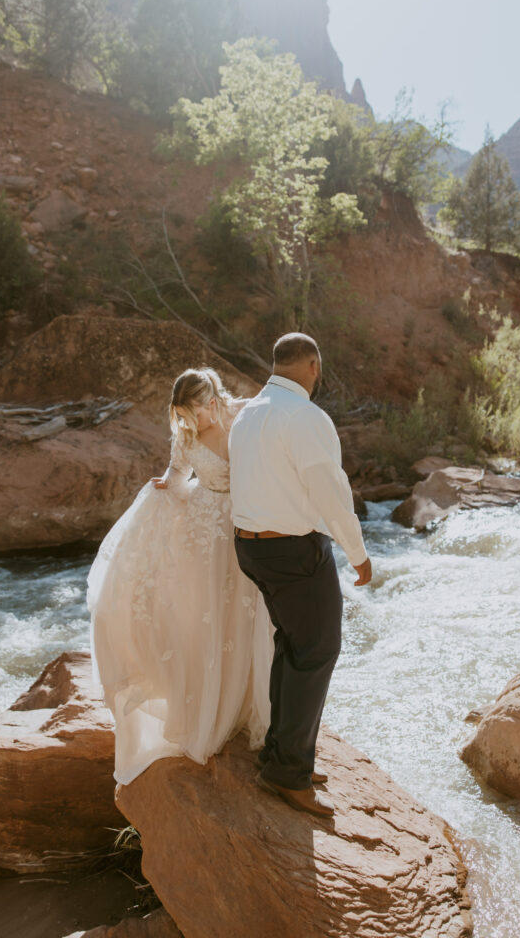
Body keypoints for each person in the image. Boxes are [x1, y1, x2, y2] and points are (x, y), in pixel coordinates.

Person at [87, 367, 273, 785]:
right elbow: (178, 475)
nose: (192, 423)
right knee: (203, 618)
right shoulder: (187, 434)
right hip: (204, 530)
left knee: (242, 617)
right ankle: (206, 707)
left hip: (242, 525)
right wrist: (164, 485)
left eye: (197, 413)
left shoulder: (243, 414)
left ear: (213, 401)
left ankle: (243, 708)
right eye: (184, 415)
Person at [229, 333, 372, 818]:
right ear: (312, 364)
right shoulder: (306, 416)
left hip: (252, 548)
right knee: (317, 651)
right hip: (294, 551)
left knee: (292, 648)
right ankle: (288, 772)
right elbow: (330, 491)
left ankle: (282, 754)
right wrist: (358, 553)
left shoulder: (248, 412)